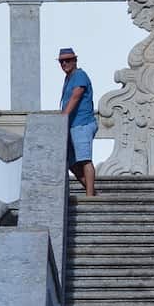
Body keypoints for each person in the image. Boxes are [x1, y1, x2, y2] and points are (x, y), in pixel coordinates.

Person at [59, 47, 97, 197]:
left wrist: (62, 118)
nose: (64, 63)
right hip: (72, 125)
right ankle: (92, 193)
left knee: (85, 159)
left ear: (75, 60)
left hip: (82, 123)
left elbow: (76, 96)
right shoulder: (69, 77)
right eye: (62, 61)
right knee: (72, 163)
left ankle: (90, 197)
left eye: (68, 60)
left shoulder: (80, 75)